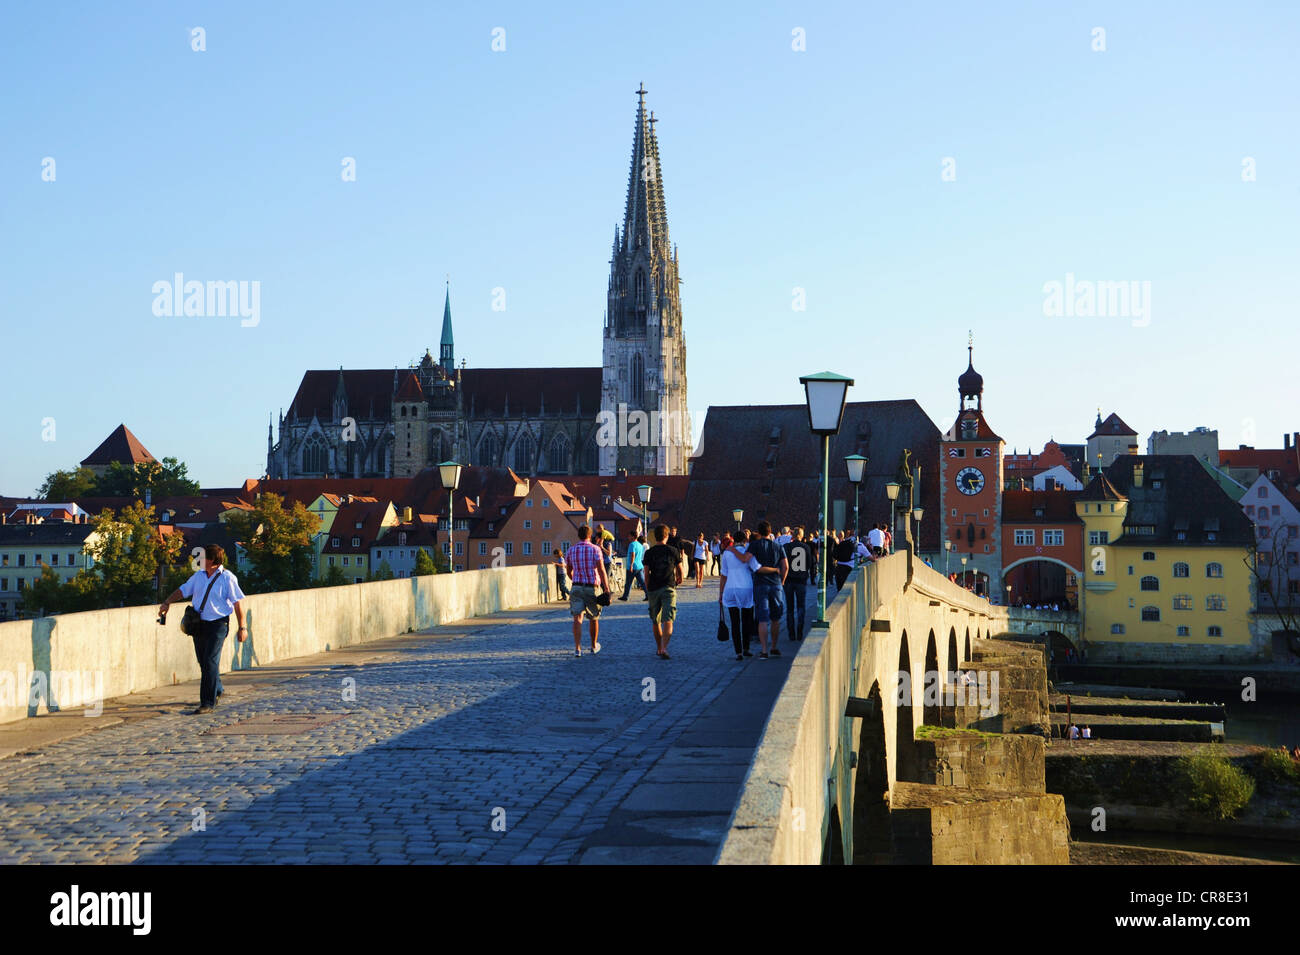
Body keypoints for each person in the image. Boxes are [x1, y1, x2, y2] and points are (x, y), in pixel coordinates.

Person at [159, 544, 247, 715]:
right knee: (204, 662)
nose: (198, 560)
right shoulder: (198, 576)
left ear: (212, 560)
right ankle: (218, 688)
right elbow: (183, 590)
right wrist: (167, 602)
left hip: (218, 624)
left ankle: (207, 702)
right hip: (199, 624)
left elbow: (238, 603)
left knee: (209, 661)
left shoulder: (227, 578)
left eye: (202, 557)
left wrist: (242, 627)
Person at [731, 521, 787, 659]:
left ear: (759, 532)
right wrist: (782, 582)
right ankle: (774, 647)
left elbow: (745, 559)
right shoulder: (778, 546)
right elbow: (785, 566)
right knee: (775, 618)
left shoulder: (754, 545)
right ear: (770, 531)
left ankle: (764, 650)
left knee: (762, 619)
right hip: (776, 584)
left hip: (760, 584)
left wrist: (732, 550)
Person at [565, 525, 612, 656]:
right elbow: (602, 570)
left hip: (576, 587)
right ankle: (593, 646)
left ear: (578, 535)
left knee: (577, 618)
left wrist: (574, 579)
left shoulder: (571, 550)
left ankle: (577, 649)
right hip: (592, 587)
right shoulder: (596, 549)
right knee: (593, 617)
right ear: (590, 535)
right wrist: (606, 588)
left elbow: (568, 570)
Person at [643, 524, 684, 659]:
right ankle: (664, 648)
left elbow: (646, 573)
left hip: (654, 588)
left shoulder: (649, 552)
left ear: (655, 537)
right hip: (668, 587)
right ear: (667, 536)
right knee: (668, 619)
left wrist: (647, 587)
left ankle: (659, 647)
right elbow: (680, 569)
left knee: (656, 621)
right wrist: (680, 578)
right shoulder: (673, 550)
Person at [719, 528, 756, 661]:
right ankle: (746, 648)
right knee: (747, 620)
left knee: (735, 622)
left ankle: (738, 652)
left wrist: (720, 593)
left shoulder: (727, 554)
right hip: (746, 587)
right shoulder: (748, 552)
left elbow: (724, 575)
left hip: (730, 588)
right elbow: (754, 569)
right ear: (745, 540)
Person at [783, 526, 812, 642]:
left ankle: (791, 633)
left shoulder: (786, 547)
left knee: (790, 608)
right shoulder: (806, 547)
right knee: (801, 606)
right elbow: (809, 563)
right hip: (801, 580)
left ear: (792, 535)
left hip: (789, 580)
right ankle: (800, 631)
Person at [618, 529, 646, 601]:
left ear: (633, 537)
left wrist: (631, 565)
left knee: (628, 583)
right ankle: (648, 595)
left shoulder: (632, 544)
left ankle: (625, 596)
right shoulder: (640, 545)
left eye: (629, 536)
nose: (628, 537)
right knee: (642, 582)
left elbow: (632, 555)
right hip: (639, 566)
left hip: (633, 567)